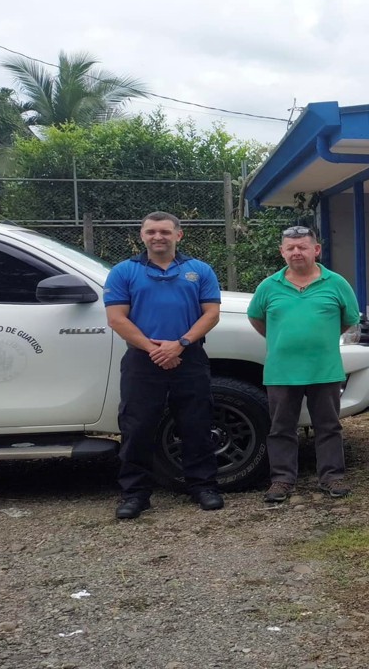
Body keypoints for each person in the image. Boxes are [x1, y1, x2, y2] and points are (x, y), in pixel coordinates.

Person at [104, 212, 223, 520]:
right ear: (142, 236)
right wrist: (153, 348)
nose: (158, 237)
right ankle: (135, 494)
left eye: (165, 232)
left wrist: (180, 344)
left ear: (178, 235)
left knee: (196, 424)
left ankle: (204, 486)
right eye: (152, 231)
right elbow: (116, 318)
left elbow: (211, 313)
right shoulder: (123, 272)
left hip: (189, 357)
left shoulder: (199, 270)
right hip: (143, 361)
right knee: (137, 426)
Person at [247, 225, 360, 504]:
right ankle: (282, 480)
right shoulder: (268, 286)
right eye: (291, 248)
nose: (296, 252)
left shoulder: (336, 283)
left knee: (329, 426)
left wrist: (320, 339)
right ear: (282, 252)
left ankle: (332, 476)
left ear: (316, 250)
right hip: (281, 371)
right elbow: (257, 319)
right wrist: (283, 340)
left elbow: (349, 319)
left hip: (325, 369)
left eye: (303, 247)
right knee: (281, 428)